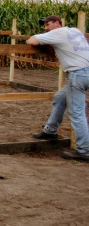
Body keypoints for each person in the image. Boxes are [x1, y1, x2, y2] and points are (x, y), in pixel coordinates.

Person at [27, 15, 89, 161]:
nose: (46, 28)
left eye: (48, 24)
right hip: (85, 72)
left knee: (77, 113)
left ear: (57, 23)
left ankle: (84, 150)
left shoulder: (59, 33)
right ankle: (50, 130)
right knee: (60, 99)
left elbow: (32, 40)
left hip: (77, 74)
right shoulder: (75, 31)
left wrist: (45, 43)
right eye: (45, 26)